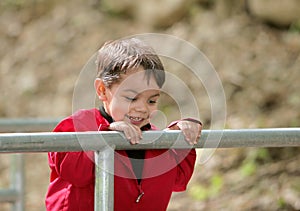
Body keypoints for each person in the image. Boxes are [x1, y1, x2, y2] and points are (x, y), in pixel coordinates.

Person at [45, 38, 202, 211]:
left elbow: (179, 179)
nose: (142, 108)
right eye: (131, 98)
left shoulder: (155, 140)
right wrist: (106, 135)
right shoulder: (79, 124)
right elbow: (74, 172)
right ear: (103, 90)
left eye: (151, 100)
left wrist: (180, 135)